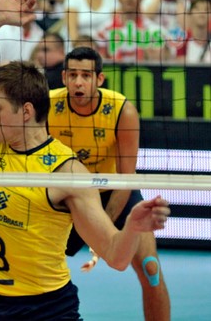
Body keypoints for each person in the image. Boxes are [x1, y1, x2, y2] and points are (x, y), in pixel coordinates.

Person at [0, 0, 170, 319]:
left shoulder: (67, 173)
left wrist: (132, 225)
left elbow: (115, 255)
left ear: (25, 112)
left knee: (149, 269)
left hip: (45, 310)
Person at [48, 46, 171, 321]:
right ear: (65, 77)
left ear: (99, 79)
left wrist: (102, 230)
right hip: (68, 196)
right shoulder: (48, 106)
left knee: (151, 269)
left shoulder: (121, 110)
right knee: (35, 266)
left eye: (87, 76)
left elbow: (126, 178)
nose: (79, 82)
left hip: (115, 192)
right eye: (74, 75)